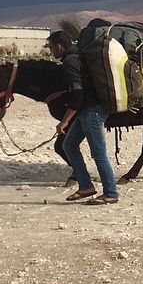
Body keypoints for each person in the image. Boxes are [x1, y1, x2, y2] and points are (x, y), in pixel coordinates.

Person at [45, 30, 120, 205]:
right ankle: (86, 186)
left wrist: (64, 120)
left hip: (92, 111)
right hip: (86, 110)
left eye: (51, 48)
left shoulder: (70, 62)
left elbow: (78, 92)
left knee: (99, 153)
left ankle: (111, 192)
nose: (51, 51)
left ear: (58, 46)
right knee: (68, 145)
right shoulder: (78, 56)